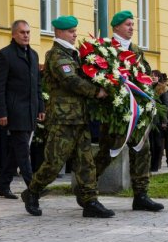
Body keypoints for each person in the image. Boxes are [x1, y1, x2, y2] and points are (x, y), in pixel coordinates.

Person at [22, 15, 113, 218]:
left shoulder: (73, 54)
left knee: (86, 161)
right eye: (71, 32)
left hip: (79, 117)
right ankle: (32, 191)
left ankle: (90, 201)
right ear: (60, 32)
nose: (75, 35)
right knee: (54, 162)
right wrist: (96, 91)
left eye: (74, 31)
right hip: (63, 119)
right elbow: (71, 80)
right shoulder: (56, 55)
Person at [93, 10, 164, 212]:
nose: (131, 27)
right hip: (117, 111)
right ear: (116, 27)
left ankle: (141, 195)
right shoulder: (106, 48)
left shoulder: (135, 49)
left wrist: (151, 82)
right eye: (127, 24)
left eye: (133, 24)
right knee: (108, 151)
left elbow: (144, 73)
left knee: (142, 149)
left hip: (136, 111)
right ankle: (86, 190)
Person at [0, 20, 45, 199]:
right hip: (14, 111)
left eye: (28, 32)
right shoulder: (4, 55)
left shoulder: (34, 54)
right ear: (14, 34)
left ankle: (3, 186)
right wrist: (1, 112)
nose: (26, 35)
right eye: (22, 32)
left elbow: (37, 84)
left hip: (30, 110)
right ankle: (33, 187)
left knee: (16, 151)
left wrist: (40, 106)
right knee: (23, 150)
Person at [149, 70, 168, 172]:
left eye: (155, 76)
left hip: (157, 119)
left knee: (157, 143)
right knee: (149, 144)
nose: (153, 77)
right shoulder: (146, 87)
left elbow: (165, 106)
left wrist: (164, 121)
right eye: (151, 75)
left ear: (159, 78)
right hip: (148, 119)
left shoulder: (162, 89)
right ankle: (149, 164)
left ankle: (155, 165)